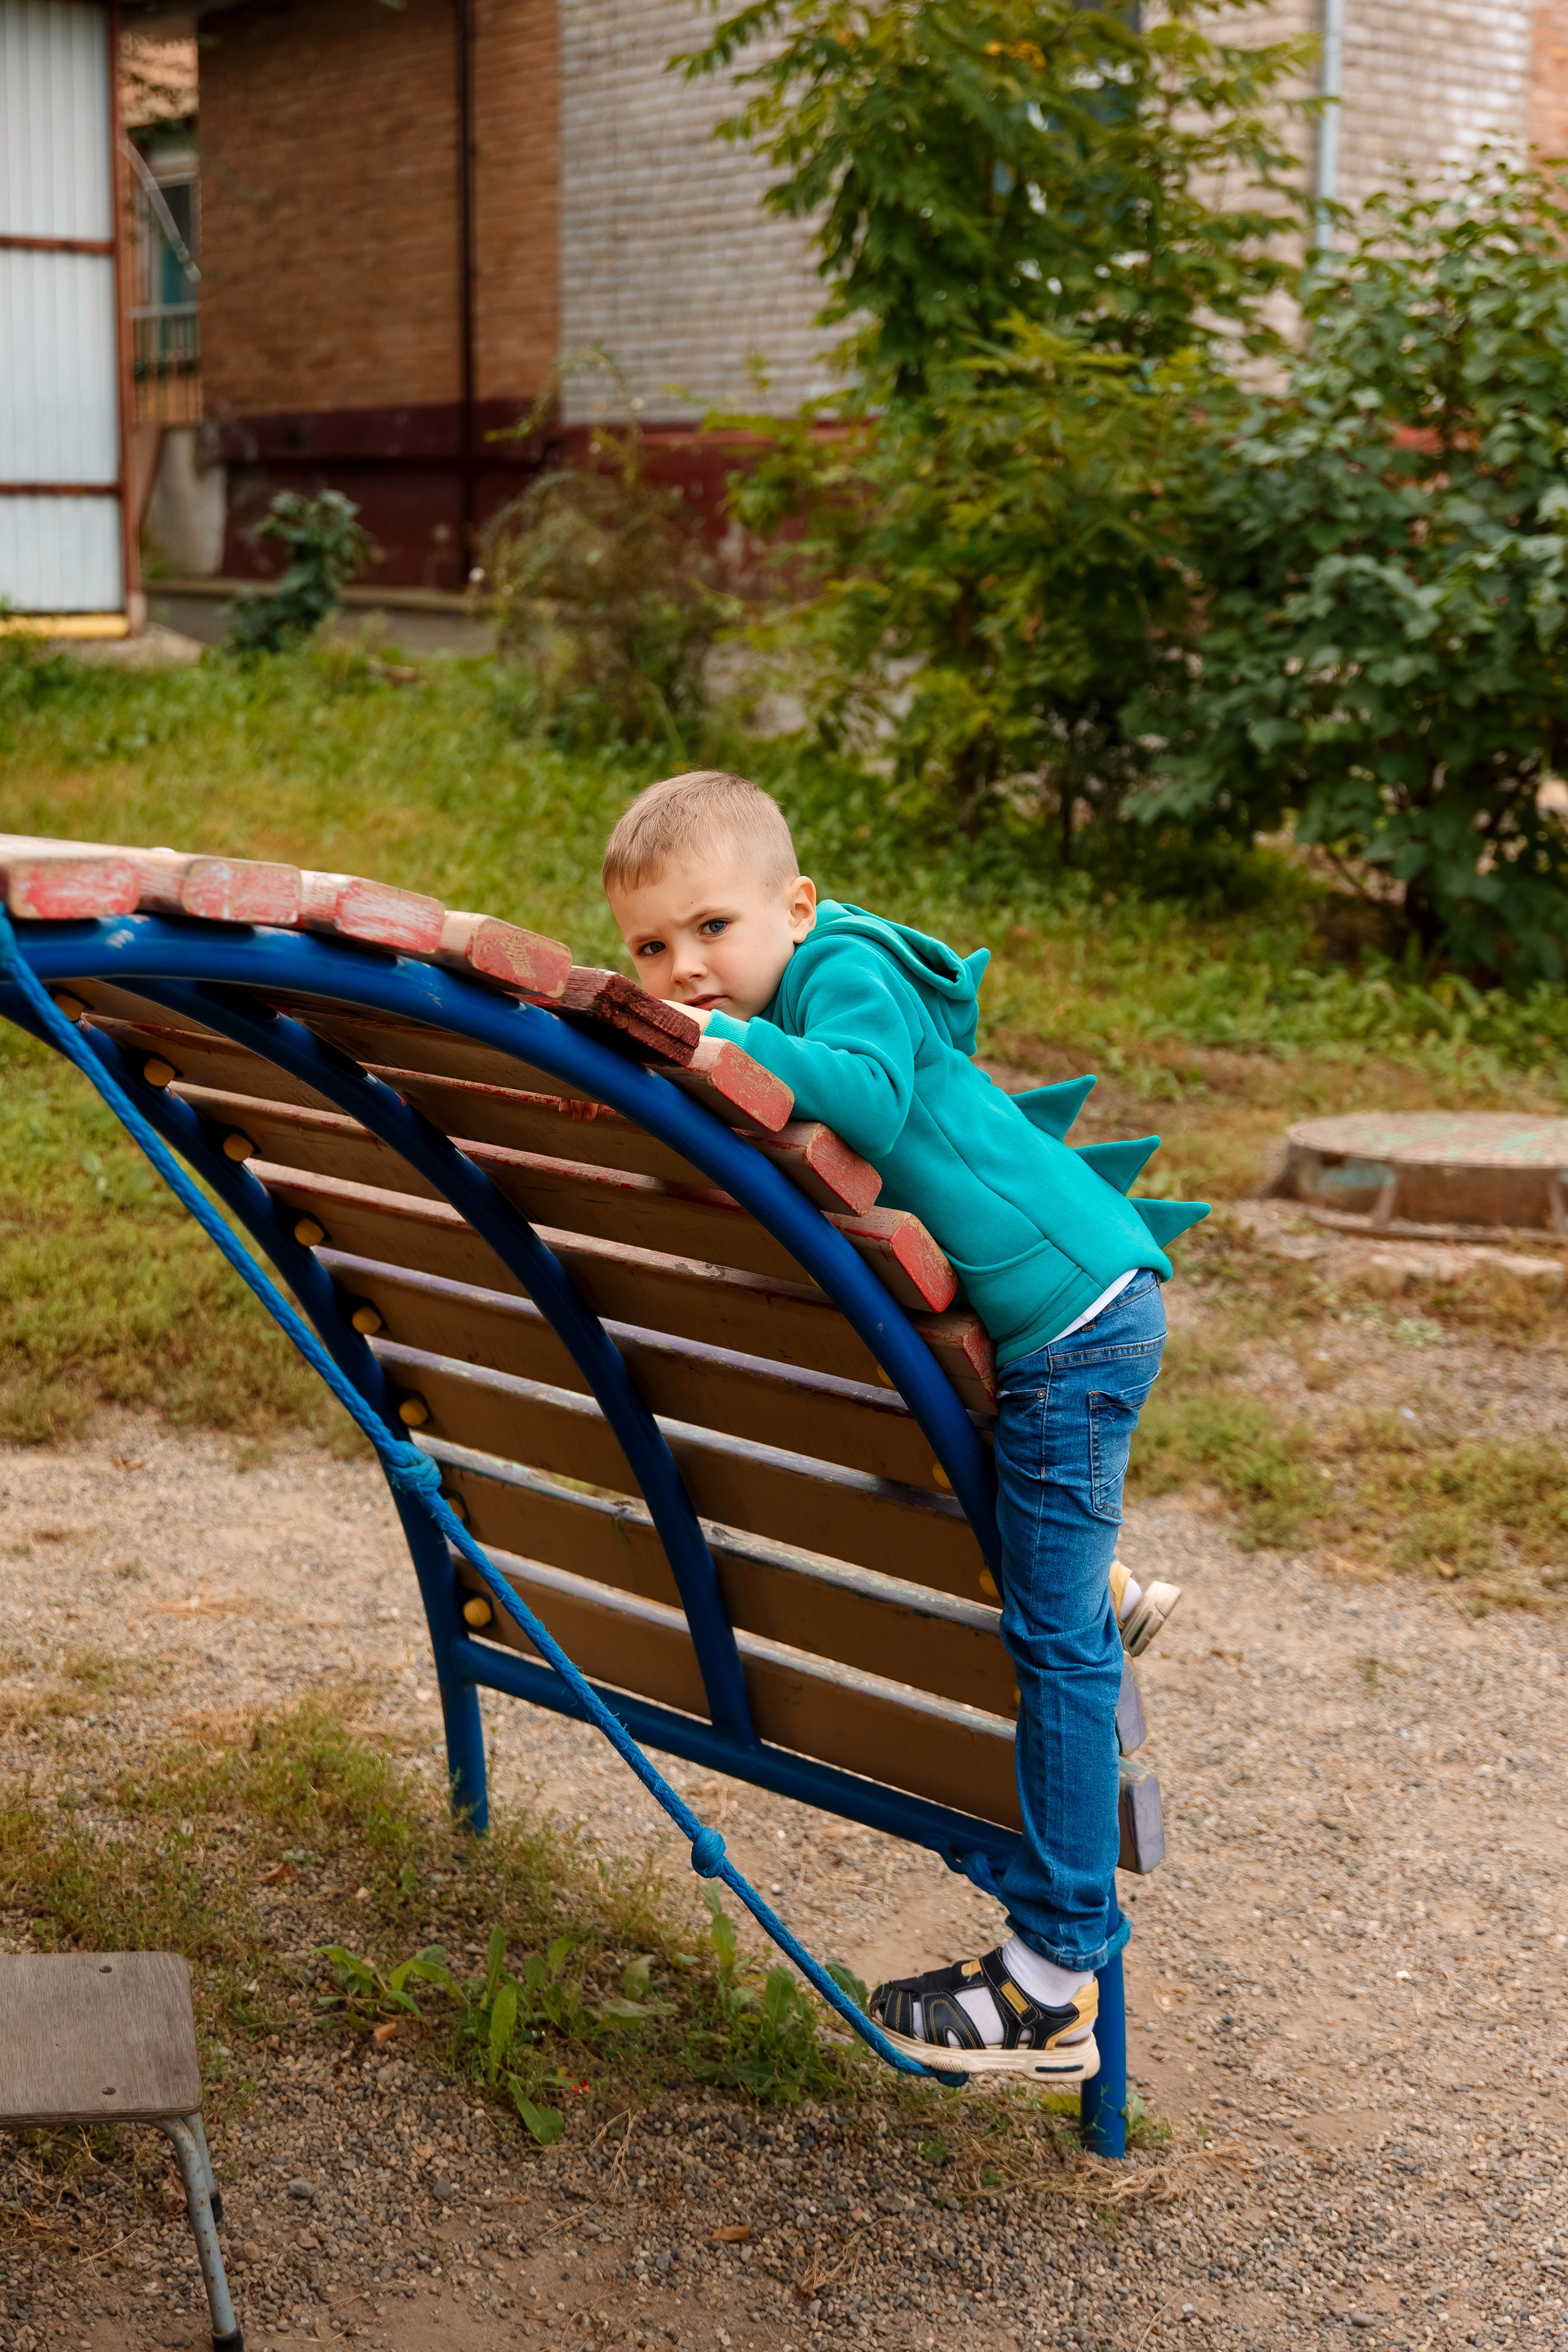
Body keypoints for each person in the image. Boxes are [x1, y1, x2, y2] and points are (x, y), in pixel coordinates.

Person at [603, 769, 1205, 2081]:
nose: (685, 967)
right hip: (1051, 1326)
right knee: (956, 1496)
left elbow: (867, 1097)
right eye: (651, 947)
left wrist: (718, 1050)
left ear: (795, 907)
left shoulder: (846, 970)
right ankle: (1090, 1577)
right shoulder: (790, 990)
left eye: (712, 929)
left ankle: (1051, 1976)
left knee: (1047, 1641)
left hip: (1075, 1324)